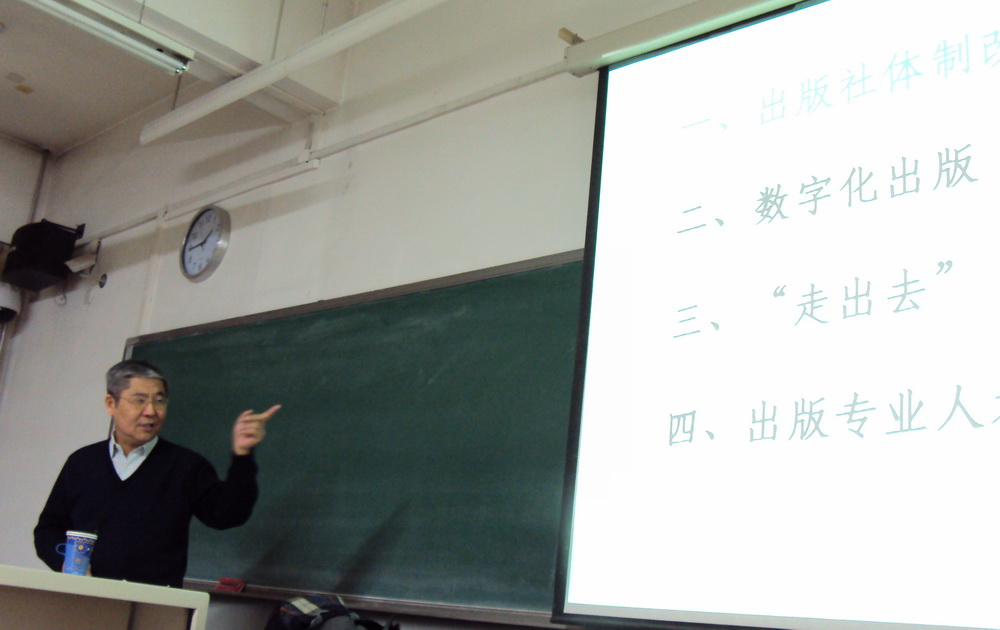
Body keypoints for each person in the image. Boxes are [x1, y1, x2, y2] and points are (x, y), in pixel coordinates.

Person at [33, 359, 281, 587]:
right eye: (139, 400)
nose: (151, 411)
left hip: (156, 602)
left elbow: (228, 516)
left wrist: (242, 456)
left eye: (159, 401)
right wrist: (65, 563)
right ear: (111, 403)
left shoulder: (186, 466)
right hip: (85, 596)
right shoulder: (82, 463)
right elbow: (48, 530)